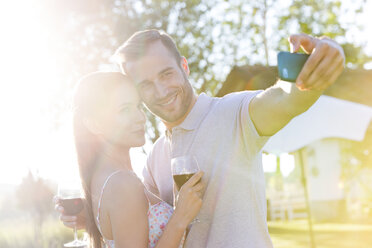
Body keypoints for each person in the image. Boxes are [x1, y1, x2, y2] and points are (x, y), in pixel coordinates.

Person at [58, 30, 345, 247]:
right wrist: (95, 220)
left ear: (184, 66)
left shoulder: (233, 115)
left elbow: (284, 99)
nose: (160, 91)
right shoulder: (156, 155)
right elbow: (140, 227)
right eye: (145, 85)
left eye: (167, 74)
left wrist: (319, 66)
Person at [67, 71, 204, 248]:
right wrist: (180, 217)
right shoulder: (122, 183)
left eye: (138, 106)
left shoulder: (102, 178)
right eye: (124, 110)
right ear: (94, 124)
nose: (140, 118)